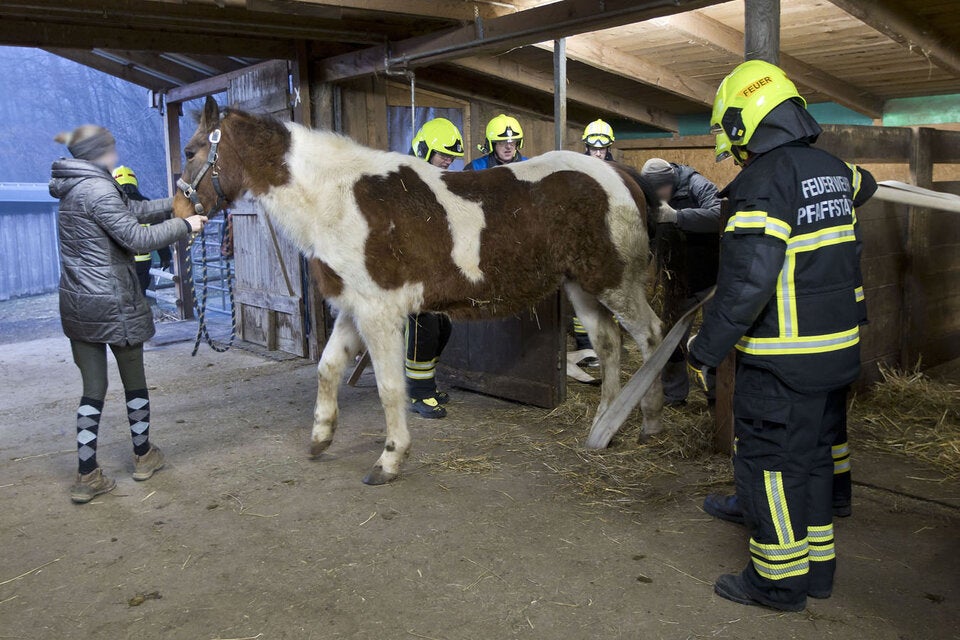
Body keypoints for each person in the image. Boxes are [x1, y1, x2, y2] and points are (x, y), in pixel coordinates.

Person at [687, 60, 876, 612]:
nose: (730, 145)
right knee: (815, 459)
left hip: (783, 359)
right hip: (837, 352)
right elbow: (863, 187)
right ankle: (817, 571)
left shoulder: (762, 184)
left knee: (769, 466)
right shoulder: (832, 169)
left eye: (730, 131)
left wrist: (705, 349)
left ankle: (777, 582)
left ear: (746, 123)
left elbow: (746, 284)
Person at [50, 124, 207, 503]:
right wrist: (184, 224)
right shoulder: (100, 188)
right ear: (99, 152)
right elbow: (136, 237)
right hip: (113, 303)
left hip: (78, 303)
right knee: (134, 383)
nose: (115, 152)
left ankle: (87, 475)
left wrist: (172, 203)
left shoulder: (75, 186)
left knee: (92, 391)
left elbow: (131, 209)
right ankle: (143, 456)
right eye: (111, 147)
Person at [641, 157, 722, 405]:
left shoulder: (696, 184)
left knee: (716, 339)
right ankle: (674, 395)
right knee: (670, 342)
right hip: (678, 282)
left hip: (712, 278)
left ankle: (717, 395)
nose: (657, 197)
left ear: (671, 181)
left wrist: (677, 216)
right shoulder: (649, 196)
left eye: (659, 191)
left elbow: (720, 214)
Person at [405, 118, 464, 417]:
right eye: (443, 156)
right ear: (425, 150)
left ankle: (425, 381)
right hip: (407, 271)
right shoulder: (404, 179)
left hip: (433, 268)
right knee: (423, 323)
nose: (448, 163)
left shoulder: (434, 179)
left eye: (451, 158)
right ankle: (418, 393)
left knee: (444, 325)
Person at [113, 165, 174, 297]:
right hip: (142, 261)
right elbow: (158, 233)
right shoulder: (145, 203)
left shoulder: (112, 205)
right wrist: (165, 257)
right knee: (140, 296)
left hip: (120, 263)